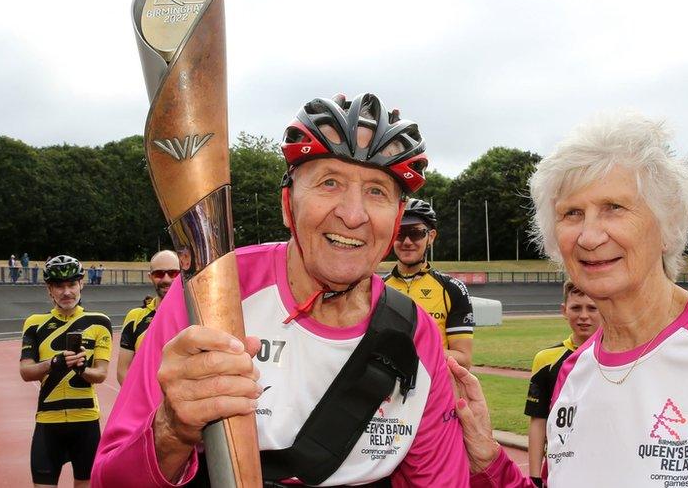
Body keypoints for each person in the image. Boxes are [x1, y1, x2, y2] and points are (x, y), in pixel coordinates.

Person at [448, 111, 688, 487]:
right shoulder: (572, 373)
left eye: (614, 208)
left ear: (668, 224)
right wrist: (486, 459)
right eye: (571, 214)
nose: (589, 236)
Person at [93, 93, 468, 487]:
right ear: (288, 205)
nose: (353, 214)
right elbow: (110, 479)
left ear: (394, 223)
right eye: (329, 182)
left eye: (377, 191)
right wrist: (171, 430)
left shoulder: (416, 334)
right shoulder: (216, 288)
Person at [19, 255, 112, 488]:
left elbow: (100, 375)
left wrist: (82, 369)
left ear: (82, 283)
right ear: (49, 289)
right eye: (59, 286)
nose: (66, 292)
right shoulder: (34, 323)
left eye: (71, 284)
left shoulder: (100, 322)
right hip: (48, 423)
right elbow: (26, 371)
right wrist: (54, 363)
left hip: (86, 422)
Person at [524, 280, 600, 486]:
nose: (584, 315)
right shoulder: (546, 359)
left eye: (592, 308)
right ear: (564, 310)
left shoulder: (617, 356)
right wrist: (534, 477)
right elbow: (538, 421)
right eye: (576, 308)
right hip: (560, 468)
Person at [385, 198, 475, 368]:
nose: (407, 241)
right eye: (400, 233)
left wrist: (412, 350)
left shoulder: (452, 289)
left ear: (431, 236)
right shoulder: (376, 288)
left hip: (434, 391)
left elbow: (464, 359)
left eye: (416, 233)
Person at [117, 250, 181, 384]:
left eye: (173, 273)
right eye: (159, 274)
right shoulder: (135, 317)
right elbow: (123, 371)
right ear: (150, 276)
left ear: (182, 274)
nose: (166, 279)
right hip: (147, 403)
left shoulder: (194, 314)